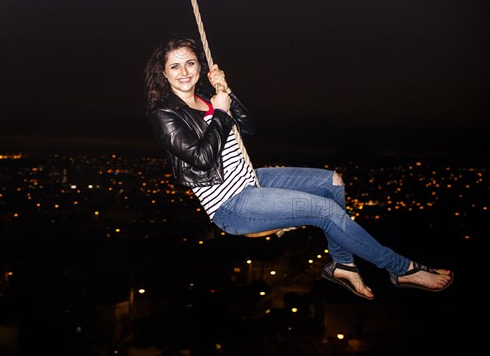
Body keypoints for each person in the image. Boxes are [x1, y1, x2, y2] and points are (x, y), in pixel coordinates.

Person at [144, 35, 453, 300]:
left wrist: (227, 93)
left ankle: (343, 266)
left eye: (190, 63)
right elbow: (201, 159)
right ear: (164, 73)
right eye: (175, 66)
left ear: (200, 65)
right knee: (325, 211)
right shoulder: (164, 113)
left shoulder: (209, 98)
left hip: (252, 180)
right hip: (231, 205)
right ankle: (402, 270)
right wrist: (222, 113)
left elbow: (249, 126)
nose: (184, 72)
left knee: (333, 182)